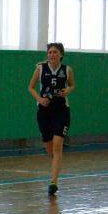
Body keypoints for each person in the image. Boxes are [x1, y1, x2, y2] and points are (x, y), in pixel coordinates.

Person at [27, 42, 75, 196]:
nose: (52, 54)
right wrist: (40, 99)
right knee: (49, 147)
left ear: (61, 54)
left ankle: (53, 182)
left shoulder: (67, 70)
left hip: (61, 110)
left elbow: (72, 85)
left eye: (55, 52)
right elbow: (31, 87)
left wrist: (67, 90)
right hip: (44, 111)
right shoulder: (40, 69)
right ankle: (55, 164)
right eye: (50, 52)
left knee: (57, 146)